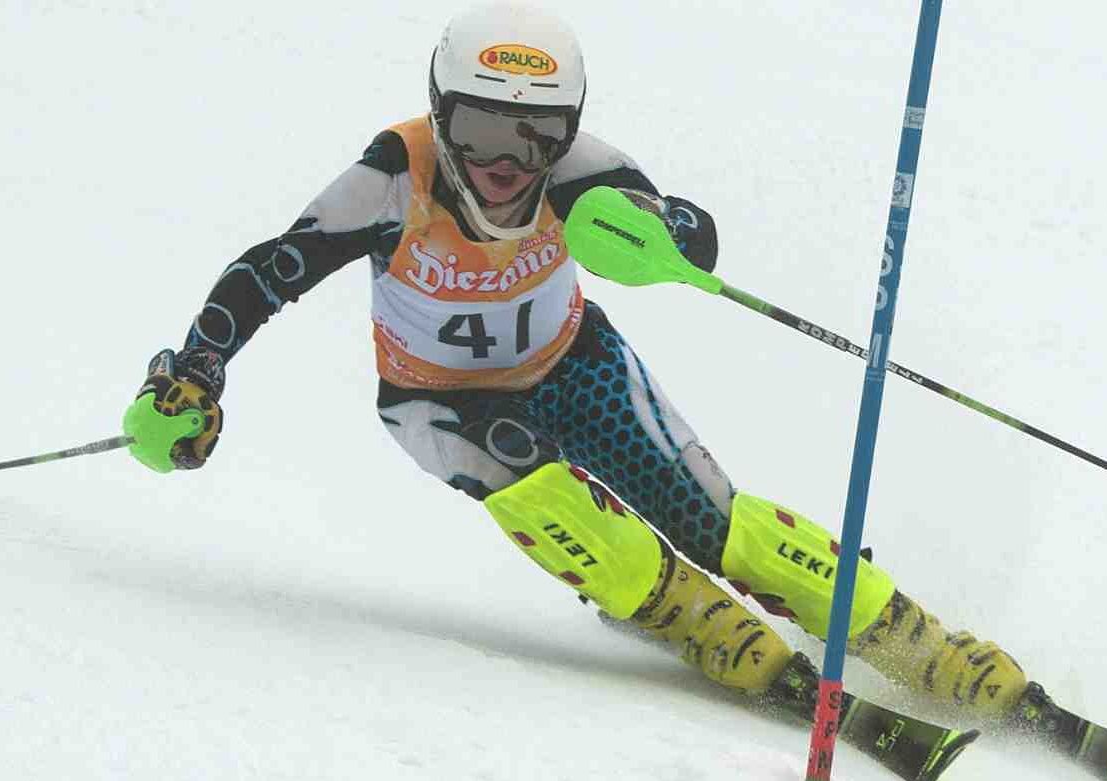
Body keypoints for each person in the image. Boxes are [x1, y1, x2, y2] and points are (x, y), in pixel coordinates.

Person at [127, 2, 1050, 733]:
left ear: (566, 129)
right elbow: (272, 269)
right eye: (479, 130)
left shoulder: (580, 173)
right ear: (441, 113)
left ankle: (916, 640)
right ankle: (689, 617)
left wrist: (667, 231)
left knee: (721, 525)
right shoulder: (394, 176)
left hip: (577, 364)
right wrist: (198, 368)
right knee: (544, 491)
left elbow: (690, 236)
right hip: (438, 400)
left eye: (534, 136)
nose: (503, 164)